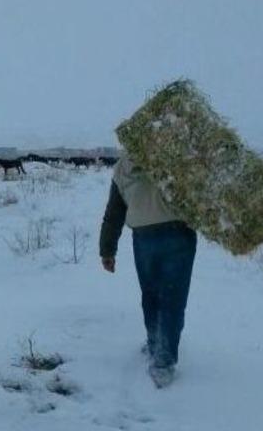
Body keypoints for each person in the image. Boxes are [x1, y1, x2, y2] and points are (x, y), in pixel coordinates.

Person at [99, 151, 197, 388]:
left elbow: (114, 213)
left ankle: (156, 342)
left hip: (144, 238)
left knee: (151, 294)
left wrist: (107, 250)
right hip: (178, 233)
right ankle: (163, 362)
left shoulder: (123, 166)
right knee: (172, 297)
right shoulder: (176, 155)